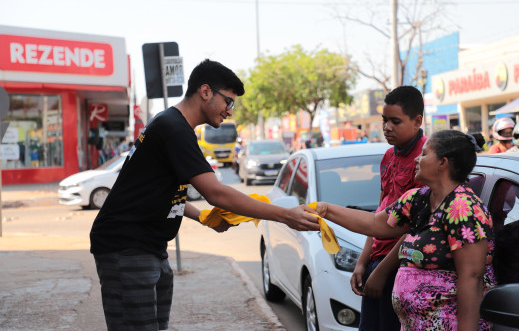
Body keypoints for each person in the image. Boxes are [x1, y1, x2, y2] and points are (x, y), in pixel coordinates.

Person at [89, 59, 320, 331]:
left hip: (150, 247)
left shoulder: (173, 125)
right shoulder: (173, 129)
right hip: (126, 246)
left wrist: (202, 217)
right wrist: (284, 216)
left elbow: (158, 189)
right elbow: (216, 193)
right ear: (206, 91)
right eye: (229, 102)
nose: (230, 111)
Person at [317, 129, 495, 331]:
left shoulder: (464, 209)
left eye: (425, 154)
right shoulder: (418, 198)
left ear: (443, 163)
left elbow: (471, 279)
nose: (417, 159)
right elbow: (375, 223)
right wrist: (326, 210)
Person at [352, 85, 426, 331]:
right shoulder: (388, 156)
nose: (387, 127)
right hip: (377, 261)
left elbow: (418, 227)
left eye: (395, 121)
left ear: (417, 121)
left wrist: (382, 271)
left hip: (401, 266)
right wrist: (363, 262)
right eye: (384, 120)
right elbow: (380, 213)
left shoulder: (427, 159)